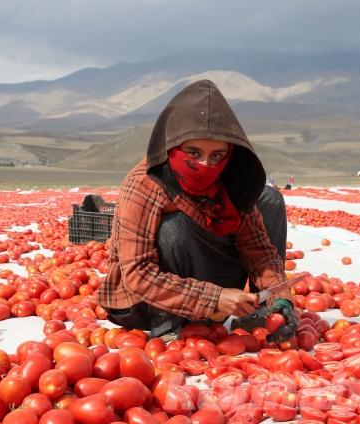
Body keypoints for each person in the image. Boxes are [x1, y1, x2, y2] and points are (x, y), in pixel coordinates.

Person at [99, 80, 297, 341]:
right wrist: (215, 297)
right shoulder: (145, 183)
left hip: (206, 282)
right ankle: (168, 325)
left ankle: (257, 314)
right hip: (143, 299)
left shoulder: (231, 180)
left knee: (268, 198)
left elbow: (257, 249)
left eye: (217, 155)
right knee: (174, 228)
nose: (205, 165)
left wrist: (277, 296)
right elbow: (138, 273)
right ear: (173, 146)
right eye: (193, 153)